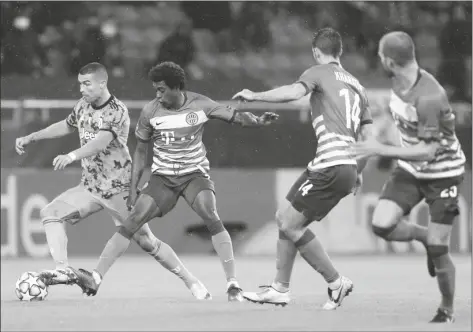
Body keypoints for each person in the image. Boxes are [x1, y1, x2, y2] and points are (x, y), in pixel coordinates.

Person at [68, 61, 279, 301]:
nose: (157, 95)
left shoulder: (200, 104)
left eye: (161, 89)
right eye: (155, 89)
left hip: (194, 175)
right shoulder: (150, 111)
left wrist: (259, 121)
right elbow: (140, 151)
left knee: (209, 213)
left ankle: (233, 285)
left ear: (176, 87)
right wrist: (134, 188)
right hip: (163, 178)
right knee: (133, 220)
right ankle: (95, 278)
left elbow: (235, 116)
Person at [15, 62, 211, 300]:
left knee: (147, 242)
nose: (82, 89)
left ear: (102, 83)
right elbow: (66, 125)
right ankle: (62, 270)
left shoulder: (117, 110)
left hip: (120, 189)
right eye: (80, 84)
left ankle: (192, 282)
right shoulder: (82, 105)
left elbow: (101, 141)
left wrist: (72, 155)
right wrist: (32, 137)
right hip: (90, 187)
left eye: (87, 84)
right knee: (50, 213)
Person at [232, 27, 373, 310]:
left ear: (316, 52)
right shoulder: (359, 87)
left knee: (289, 223)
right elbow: (369, 139)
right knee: (285, 217)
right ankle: (279, 288)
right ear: (340, 51)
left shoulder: (319, 72)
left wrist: (255, 94)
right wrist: (358, 171)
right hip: (345, 166)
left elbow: (293, 93)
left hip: (330, 163)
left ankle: (336, 282)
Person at [352, 31, 466, 323]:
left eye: (380, 56)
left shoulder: (429, 96)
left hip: (443, 173)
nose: (377, 59)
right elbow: (397, 123)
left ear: (390, 62)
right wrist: (362, 163)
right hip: (412, 169)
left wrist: (382, 149)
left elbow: (428, 151)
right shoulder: (397, 82)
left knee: (441, 248)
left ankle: (447, 309)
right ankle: (424, 237)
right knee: (381, 224)